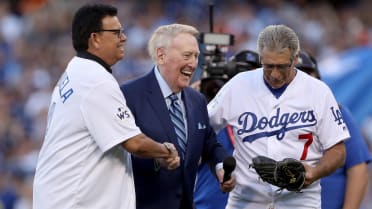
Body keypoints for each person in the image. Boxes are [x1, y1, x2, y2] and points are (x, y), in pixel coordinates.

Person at [32, 4, 180, 209]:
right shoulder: (95, 80)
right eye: (116, 32)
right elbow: (135, 143)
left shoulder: (76, 70)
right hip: (74, 202)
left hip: (60, 196)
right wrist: (165, 150)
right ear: (95, 38)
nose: (124, 37)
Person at [207, 24, 350, 209]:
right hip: (246, 200)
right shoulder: (238, 86)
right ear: (260, 58)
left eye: (282, 66)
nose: (274, 74)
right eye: (268, 66)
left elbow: (338, 152)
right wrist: (218, 166)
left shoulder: (318, 91)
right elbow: (203, 127)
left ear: (295, 59)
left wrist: (315, 172)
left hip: (300, 201)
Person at [120, 23, 235, 209]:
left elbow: (210, 144)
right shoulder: (129, 96)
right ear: (161, 55)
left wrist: (221, 168)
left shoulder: (196, 100)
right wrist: (157, 156)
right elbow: (121, 151)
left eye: (196, 56)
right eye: (187, 55)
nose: (193, 63)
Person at [296, 51, 372, 209]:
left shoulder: (337, 112)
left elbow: (358, 168)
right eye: (297, 74)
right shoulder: (268, 117)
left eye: (307, 74)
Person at [194, 50, 261, 209]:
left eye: (254, 75)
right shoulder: (211, 117)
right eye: (241, 75)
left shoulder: (270, 123)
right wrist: (191, 99)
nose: (247, 82)